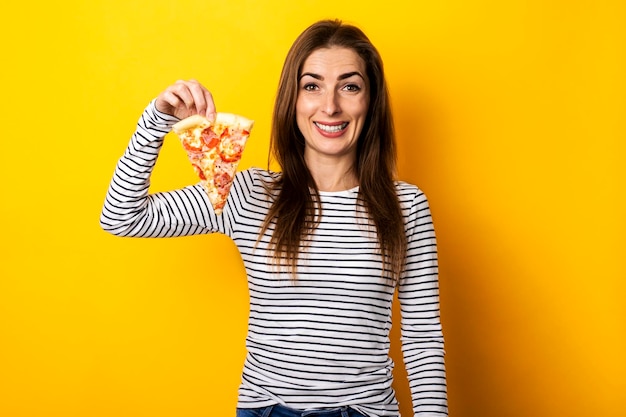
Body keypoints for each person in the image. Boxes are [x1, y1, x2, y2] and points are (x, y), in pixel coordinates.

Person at [101, 19, 448, 417]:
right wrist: (156, 120)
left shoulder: (406, 206)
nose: (330, 105)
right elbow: (122, 217)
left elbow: (422, 339)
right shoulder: (249, 195)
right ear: (293, 99)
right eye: (312, 85)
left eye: (349, 86)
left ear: (370, 102)